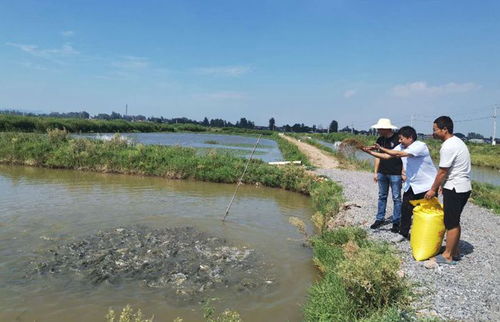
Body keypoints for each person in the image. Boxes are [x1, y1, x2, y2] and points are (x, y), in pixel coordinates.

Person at [363, 126, 437, 242]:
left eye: (401, 138)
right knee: (406, 210)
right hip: (412, 185)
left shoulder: (420, 146)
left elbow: (398, 154)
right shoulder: (402, 146)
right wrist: (370, 152)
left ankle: (428, 237)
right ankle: (403, 234)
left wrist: (381, 147)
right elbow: (387, 156)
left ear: (410, 138)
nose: (399, 141)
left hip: (426, 186)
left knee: (427, 212)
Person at [425, 116, 471, 265]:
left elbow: (443, 172)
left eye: (435, 130)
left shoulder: (448, 145)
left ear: (445, 129)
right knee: (454, 220)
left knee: (450, 222)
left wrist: (433, 189)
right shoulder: (458, 142)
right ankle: (454, 250)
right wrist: (441, 186)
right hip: (462, 187)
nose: (433, 133)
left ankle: (448, 255)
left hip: (455, 187)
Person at [368, 118, 402, 233]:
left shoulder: (398, 139)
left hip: (396, 173)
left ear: (386, 129)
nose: (377, 130)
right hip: (382, 172)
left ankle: (396, 222)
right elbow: (378, 156)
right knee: (382, 196)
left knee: (396, 198)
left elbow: (403, 156)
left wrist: (403, 172)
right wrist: (376, 172)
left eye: (379, 128)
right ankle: (379, 219)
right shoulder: (380, 139)